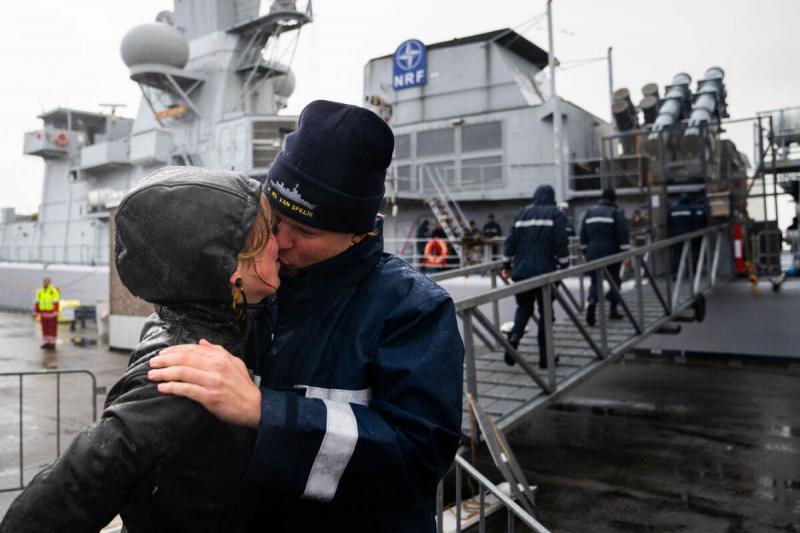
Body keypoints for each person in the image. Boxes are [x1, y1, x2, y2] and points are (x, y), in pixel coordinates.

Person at [148, 100, 465, 533]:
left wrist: (265, 412)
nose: (279, 242)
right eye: (273, 219)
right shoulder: (255, 284)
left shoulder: (414, 309)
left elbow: (417, 457)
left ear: (358, 233)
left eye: (307, 231)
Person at [0, 167, 280, 533]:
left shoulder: (202, 317)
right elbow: (75, 485)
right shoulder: (183, 374)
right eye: (267, 235)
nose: (281, 242)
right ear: (230, 270)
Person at [501, 185, 569, 368]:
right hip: (545, 272)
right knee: (546, 313)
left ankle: (514, 340)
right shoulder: (555, 214)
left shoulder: (521, 214)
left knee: (523, 308)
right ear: (551, 197)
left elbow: (510, 241)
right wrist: (564, 264)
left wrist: (506, 264)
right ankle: (545, 359)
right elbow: (561, 241)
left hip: (521, 271)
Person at [580, 188, 630, 326]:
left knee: (595, 282)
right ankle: (613, 309)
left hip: (593, 252)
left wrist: (585, 252)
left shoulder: (589, 212)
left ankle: (592, 301)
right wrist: (626, 253)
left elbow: (583, 235)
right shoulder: (615, 212)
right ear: (614, 199)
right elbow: (622, 233)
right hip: (611, 252)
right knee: (615, 281)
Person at [668, 193, 695, 274]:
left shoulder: (673, 209)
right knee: (689, 253)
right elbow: (693, 222)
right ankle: (690, 272)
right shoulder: (690, 209)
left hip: (675, 235)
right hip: (687, 234)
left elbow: (669, 223)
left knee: (677, 255)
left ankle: (676, 273)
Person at [34, 277, 60, 357]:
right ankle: (46, 342)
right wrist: (36, 312)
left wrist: (55, 312)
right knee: (44, 328)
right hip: (43, 313)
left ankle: (52, 343)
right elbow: (37, 302)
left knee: (52, 328)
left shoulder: (53, 290)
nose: (45, 283)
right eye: (44, 281)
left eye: (46, 282)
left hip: (51, 313)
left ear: (49, 282)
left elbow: (56, 301)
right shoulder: (40, 291)